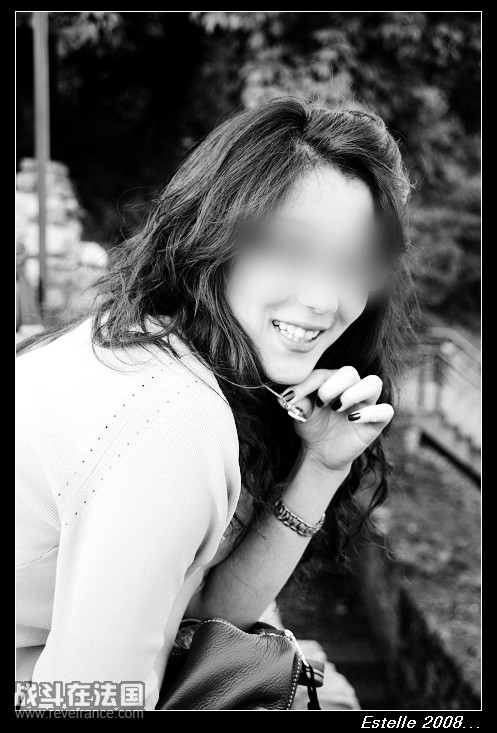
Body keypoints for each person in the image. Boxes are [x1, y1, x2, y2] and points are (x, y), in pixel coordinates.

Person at [16, 97, 416, 711]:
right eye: (288, 248)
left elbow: (203, 613)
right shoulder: (171, 412)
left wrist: (322, 467)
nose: (323, 299)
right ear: (212, 237)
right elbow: (88, 702)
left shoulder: (152, 344)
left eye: (353, 264)